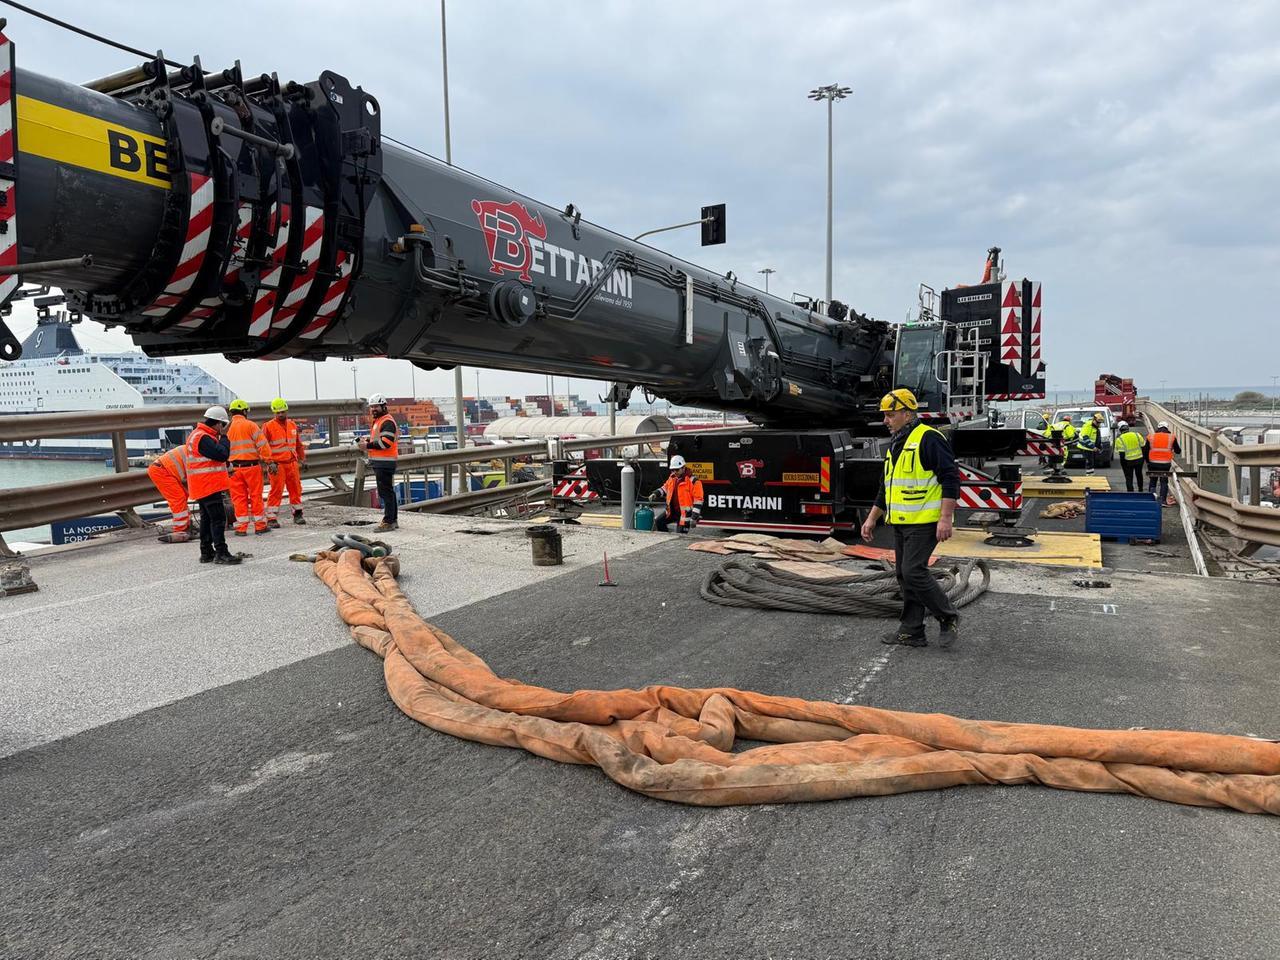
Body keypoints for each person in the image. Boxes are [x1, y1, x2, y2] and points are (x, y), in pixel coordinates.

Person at [860, 388, 961, 648]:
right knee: (905, 576)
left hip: (925, 521)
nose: (885, 421)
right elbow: (887, 487)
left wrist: (945, 518)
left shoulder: (929, 438)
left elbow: (950, 478)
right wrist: (872, 518)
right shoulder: (896, 443)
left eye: (890, 415)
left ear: (907, 413)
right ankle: (912, 630)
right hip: (902, 522)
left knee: (913, 571)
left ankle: (947, 617)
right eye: (885, 415)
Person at [185, 406, 241, 565]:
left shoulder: (196, 435)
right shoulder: (204, 438)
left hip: (202, 485)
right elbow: (222, 454)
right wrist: (224, 437)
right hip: (208, 485)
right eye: (223, 426)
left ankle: (207, 552)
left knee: (207, 519)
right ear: (218, 424)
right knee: (217, 519)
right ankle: (221, 553)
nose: (221, 430)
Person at [225, 399, 276, 536]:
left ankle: (241, 527)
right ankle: (260, 525)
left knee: (238, 498)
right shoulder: (251, 425)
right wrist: (269, 461)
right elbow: (263, 445)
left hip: (233, 469)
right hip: (251, 467)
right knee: (255, 496)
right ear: (244, 411)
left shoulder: (226, 428)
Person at [357, 393, 399, 532]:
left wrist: (367, 446)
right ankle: (393, 519)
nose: (373, 409)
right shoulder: (379, 421)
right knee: (388, 492)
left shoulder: (387, 421)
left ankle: (388, 521)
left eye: (376, 406)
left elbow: (386, 443)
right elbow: (379, 440)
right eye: (372, 407)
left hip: (384, 463)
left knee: (385, 492)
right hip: (381, 462)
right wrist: (368, 442)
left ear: (383, 406)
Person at [263, 397, 307, 526]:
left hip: (292, 463)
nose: (281, 414)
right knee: (276, 490)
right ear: (274, 413)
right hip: (277, 464)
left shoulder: (292, 425)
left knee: (296, 489)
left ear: (286, 411)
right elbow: (263, 446)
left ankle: (298, 514)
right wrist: (269, 462)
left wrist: (302, 459)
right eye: (278, 412)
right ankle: (271, 518)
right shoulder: (268, 426)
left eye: (282, 412)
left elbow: (298, 444)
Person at [146, 444, 192, 543]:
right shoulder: (196, 452)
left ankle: (186, 525)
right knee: (178, 498)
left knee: (183, 495)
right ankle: (180, 529)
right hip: (161, 471)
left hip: (163, 470)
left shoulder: (193, 448)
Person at [650, 455, 704, 533]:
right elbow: (665, 488)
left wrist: (694, 518)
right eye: (672, 470)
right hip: (672, 511)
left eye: (677, 470)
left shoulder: (694, 482)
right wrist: (656, 493)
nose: (674, 472)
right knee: (659, 521)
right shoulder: (672, 478)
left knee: (680, 536)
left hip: (685, 515)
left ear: (683, 468)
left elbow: (698, 500)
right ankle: (666, 539)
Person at [1145, 421, 1182, 505]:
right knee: (1164, 482)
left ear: (1158, 428)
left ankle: (1151, 499)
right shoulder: (1171, 437)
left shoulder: (1151, 436)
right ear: (1167, 428)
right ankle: (1163, 501)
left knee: (1153, 480)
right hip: (1165, 464)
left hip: (1152, 463)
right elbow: (1178, 451)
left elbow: (1146, 451)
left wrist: (1148, 462)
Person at [1113, 420, 1145, 492]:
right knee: (1139, 475)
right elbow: (1143, 447)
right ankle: (1141, 490)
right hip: (1139, 459)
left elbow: (1122, 455)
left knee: (1128, 477)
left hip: (1128, 461)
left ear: (1119, 429)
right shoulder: (1137, 435)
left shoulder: (1119, 439)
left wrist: (1123, 465)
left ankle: (1130, 492)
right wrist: (1143, 458)